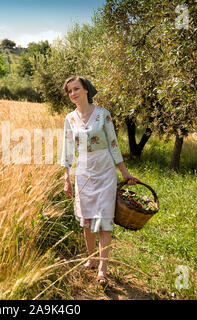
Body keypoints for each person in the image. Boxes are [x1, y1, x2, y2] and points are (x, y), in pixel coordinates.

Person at [60, 76, 141, 285]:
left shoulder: (103, 114)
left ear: (86, 90)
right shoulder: (69, 118)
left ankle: (103, 270)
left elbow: (113, 144)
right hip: (84, 170)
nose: (72, 94)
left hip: (105, 169)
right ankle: (91, 260)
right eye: (69, 91)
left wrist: (124, 172)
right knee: (86, 219)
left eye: (76, 89)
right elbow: (68, 149)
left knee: (104, 219)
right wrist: (66, 177)